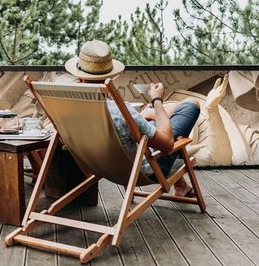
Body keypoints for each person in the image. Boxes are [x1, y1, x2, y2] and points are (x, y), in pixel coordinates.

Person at [65, 40, 200, 197]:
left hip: (101, 167)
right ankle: (152, 112)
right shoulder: (122, 112)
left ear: (79, 79)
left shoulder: (68, 109)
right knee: (192, 105)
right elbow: (167, 145)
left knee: (150, 121)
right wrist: (157, 100)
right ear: (110, 77)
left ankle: (181, 185)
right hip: (145, 170)